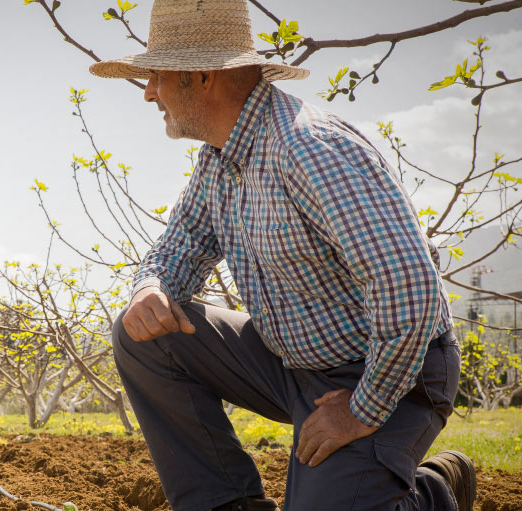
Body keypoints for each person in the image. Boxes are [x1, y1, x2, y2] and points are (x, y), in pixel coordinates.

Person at [89, 0, 476, 510]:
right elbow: (179, 245)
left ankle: (434, 492)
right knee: (144, 336)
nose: (148, 93)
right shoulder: (221, 157)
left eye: (158, 76)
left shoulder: (309, 150)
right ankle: (228, 504)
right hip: (291, 361)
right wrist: (151, 288)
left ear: (202, 76)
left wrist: (362, 408)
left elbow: (409, 291)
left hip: (391, 370)